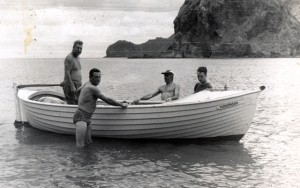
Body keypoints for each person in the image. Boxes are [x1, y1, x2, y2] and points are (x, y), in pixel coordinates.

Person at [73, 68, 128, 148]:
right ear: (90, 77)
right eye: (96, 77)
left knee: (88, 143)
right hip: (81, 117)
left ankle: (86, 160)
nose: (98, 79)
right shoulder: (93, 88)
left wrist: (85, 99)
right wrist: (121, 104)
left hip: (87, 118)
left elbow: (78, 91)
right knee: (80, 146)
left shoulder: (86, 84)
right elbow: (107, 99)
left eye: (99, 77)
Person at [62, 40, 83, 104]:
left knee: (78, 104)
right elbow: (67, 72)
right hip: (71, 85)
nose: (79, 50)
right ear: (73, 47)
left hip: (78, 85)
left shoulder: (78, 58)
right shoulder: (69, 58)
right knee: (72, 105)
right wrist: (71, 86)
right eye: (77, 48)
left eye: (80, 48)